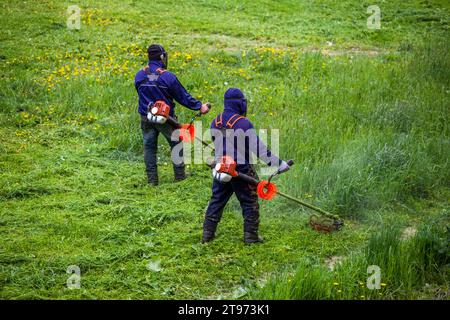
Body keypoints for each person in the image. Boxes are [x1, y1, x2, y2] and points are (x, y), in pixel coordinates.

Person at [202, 88, 290, 244]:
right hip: (241, 169)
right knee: (249, 202)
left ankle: (207, 235)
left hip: (221, 167)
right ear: (239, 104)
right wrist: (279, 164)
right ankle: (251, 237)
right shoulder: (243, 123)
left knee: (216, 200)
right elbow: (259, 149)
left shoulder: (215, 121)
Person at [134, 44, 209, 185]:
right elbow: (183, 97)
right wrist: (200, 106)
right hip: (166, 120)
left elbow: (140, 91)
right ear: (162, 57)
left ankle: (152, 181)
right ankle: (180, 178)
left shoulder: (140, 75)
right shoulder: (167, 77)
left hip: (145, 117)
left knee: (149, 147)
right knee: (177, 145)